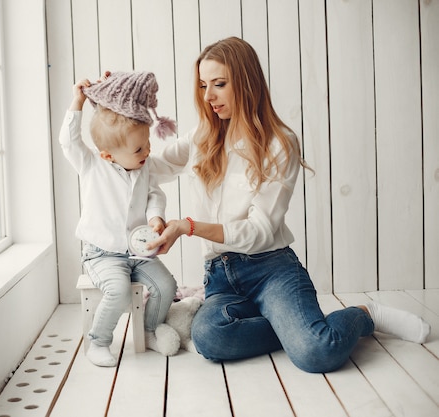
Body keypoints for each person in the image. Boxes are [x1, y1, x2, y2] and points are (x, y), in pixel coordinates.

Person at [147, 36, 430, 373]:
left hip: (271, 269)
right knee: (209, 339)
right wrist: (113, 118)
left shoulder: (279, 144)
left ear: (246, 82)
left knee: (317, 353)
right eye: (204, 85)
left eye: (219, 84)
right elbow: (143, 166)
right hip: (220, 275)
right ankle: (299, 327)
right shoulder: (201, 137)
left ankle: (365, 316)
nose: (208, 96)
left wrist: (188, 227)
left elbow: (260, 231)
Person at [59, 71, 179, 367]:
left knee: (166, 285)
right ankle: (98, 341)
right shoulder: (92, 166)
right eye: (139, 149)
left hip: (138, 250)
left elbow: (154, 195)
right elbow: (69, 141)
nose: (147, 152)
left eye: (148, 143)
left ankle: (150, 330)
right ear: (107, 155)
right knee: (119, 290)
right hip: (103, 253)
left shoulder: (144, 167)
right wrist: (77, 102)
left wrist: (156, 219)